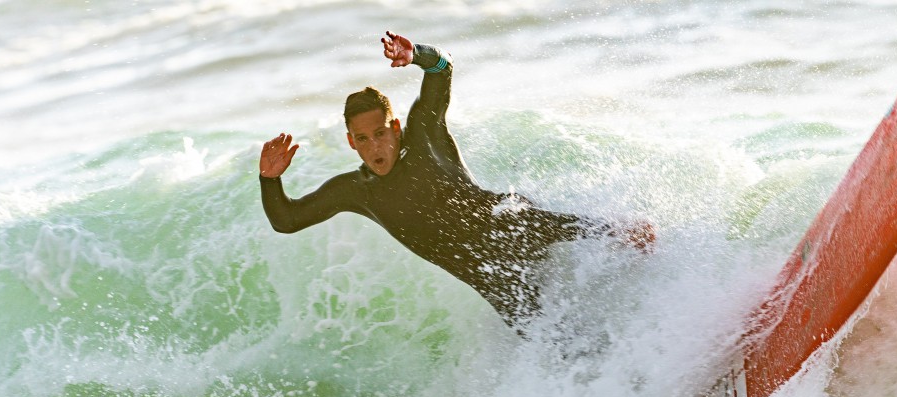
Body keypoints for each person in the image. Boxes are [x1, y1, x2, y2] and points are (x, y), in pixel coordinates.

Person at [259, 31, 653, 326]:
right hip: (495, 278)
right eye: (363, 139)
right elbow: (287, 220)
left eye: (380, 133)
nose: (375, 148)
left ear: (394, 128)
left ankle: (644, 251)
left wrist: (416, 55)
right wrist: (269, 179)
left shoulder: (423, 132)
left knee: (616, 237)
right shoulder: (355, 190)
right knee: (561, 345)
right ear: (351, 142)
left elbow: (442, 66)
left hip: (514, 226)